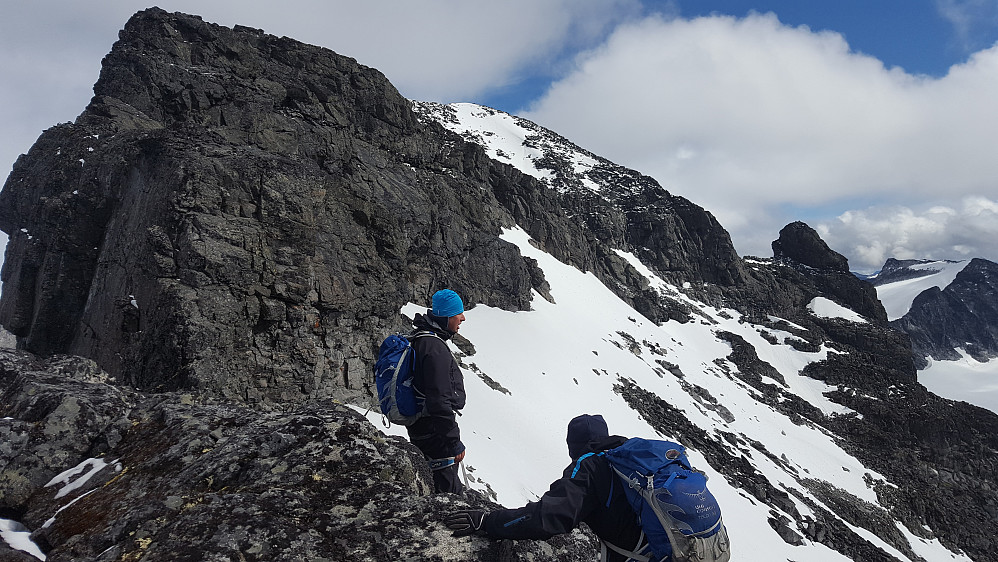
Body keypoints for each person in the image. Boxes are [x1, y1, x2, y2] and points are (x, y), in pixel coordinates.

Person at [443, 414, 650, 561]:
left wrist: (487, 521)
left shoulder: (589, 465)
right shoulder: (628, 459)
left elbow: (549, 516)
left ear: (573, 446)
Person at [408, 289, 468, 493]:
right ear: (445, 317)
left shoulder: (422, 339)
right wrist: (454, 442)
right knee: (447, 491)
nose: (462, 317)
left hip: (422, 427)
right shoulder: (434, 347)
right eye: (457, 313)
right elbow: (439, 401)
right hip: (434, 432)